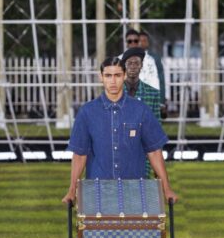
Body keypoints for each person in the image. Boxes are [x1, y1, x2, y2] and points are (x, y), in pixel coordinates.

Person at [62, 56, 177, 205]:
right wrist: (72, 190)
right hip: (99, 192)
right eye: (108, 76)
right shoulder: (87, 112)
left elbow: (154, 151)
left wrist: (166, 188)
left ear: (124, 76)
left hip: (135, 191)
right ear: (101, 77)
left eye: (117, 75)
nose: (113, 81)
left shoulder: (141, 110)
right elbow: (79, 155)